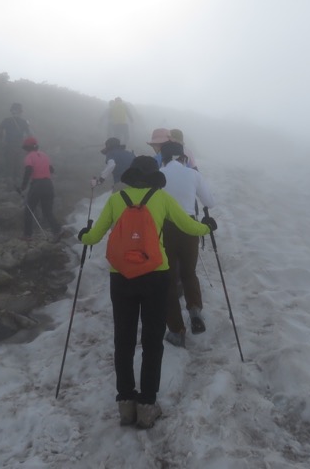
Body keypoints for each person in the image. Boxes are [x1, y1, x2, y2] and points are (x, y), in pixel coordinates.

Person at [77, 156, 217, 429]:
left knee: (124, 340)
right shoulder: (162, 198)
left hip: (121, 278)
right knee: (152, 342)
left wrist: (83, 236)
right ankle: (147, 406)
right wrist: (207, 227)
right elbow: (189, 226)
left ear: (131, 176)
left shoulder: (117, 199)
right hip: (156, 276)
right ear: (154, 177)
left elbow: (94, 237)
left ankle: (125, 404)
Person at [158, 141, 215, 347]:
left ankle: (176, 330)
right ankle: (194, 309)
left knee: (169, 279)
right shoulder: (193, 175)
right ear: (183, 157)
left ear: (163, 157)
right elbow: (210, 202)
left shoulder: (159, 175)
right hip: (190, 227)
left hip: (165, 228)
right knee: (189, 273)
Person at [18, 137, 61, 242]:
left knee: (29, 210)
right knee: (47, 211)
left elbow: (28, 170)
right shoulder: (45, 155)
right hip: (48, 184)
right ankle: (58, 231)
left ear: (27, 148)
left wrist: (23, 186)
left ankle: (27, 235)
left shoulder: (29, 157)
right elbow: (51, 169)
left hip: (37, 184)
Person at [0, 103, 31, 186]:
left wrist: (1, 140)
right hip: (20, 146)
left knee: (9, 163)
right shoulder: (24, 122)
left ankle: (8, 183)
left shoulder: (6, 120)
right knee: (19, 165)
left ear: (12, 111)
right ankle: (19, 184)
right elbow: (29, 135)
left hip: (9, 145)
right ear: (20, 112)